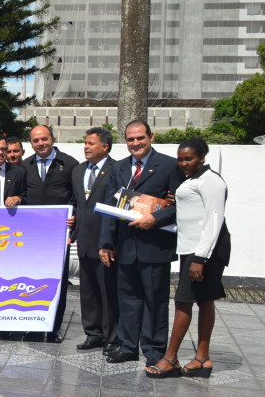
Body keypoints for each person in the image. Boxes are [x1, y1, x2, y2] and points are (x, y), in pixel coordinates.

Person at [98, 120, 182, 366]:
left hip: (155, 247)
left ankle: (155, 350)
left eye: (140, 138)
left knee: (155, 301)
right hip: (125, 248)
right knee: (128, 299)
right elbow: (110, 208)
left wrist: (154, 219)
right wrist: (106, 242)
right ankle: (128, 346)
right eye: (130, 139)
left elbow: (180, 204)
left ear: (151, 137)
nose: (135, 143)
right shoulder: (120, 168)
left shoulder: (168, 166)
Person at [146, 138, 230, 379]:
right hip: (192, 249)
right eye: (181, 158)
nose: (183, 163)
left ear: (202, 157)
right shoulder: (192, 180)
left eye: (189, 158)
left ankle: (170, 359)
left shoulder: (211, 181)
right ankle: (202, 358)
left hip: (204, 251)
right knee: (204, 300)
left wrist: (200, 259)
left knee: (183, 301)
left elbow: (215, 221)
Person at [23, 125, 78, 342]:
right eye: (36, 141)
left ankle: (53, 327)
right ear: (31, 143)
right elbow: (20, 196)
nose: (40, 144)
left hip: (59, 236)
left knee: (57, 282)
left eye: (44, 139)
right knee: (32, 282)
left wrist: (74, 219)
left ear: (53, 139)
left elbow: (76, 198)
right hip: (32, 237)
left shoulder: (70, 164)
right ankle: (33, 326)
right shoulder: (24, 166)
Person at [70, 127, 119, 353]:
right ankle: (93, 333)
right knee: (87, 289)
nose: (86, 147)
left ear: (105, 147)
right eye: (85, 143)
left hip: (106, 241)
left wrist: (111, 241)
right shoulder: (78, 170)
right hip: (84, 238)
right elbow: (78, 203)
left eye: (91, 143)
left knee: (107, 290)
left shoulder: (116, 169)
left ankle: (113, 337)